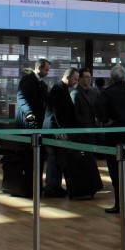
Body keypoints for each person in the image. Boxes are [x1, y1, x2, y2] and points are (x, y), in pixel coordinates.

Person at [96, 64, 125, 214]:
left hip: (114, 136)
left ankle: (120, 203)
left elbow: (99, 111)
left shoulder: (107, 93)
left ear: (111, 78)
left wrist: (106, 121)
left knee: (116, 172)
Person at [42, 67, 82, 197]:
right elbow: (59, 113)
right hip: (54, 131)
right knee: (54, 159)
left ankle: (55, 186)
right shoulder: (60, 90)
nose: (76, 82)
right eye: (75, 79)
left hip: (53, 129)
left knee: (57, 159)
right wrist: (63, 130)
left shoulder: (60, 88)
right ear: (68, 77)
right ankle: (51, 187)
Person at [16, 58, 50, 129]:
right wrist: (28, 112)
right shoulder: (28, 79)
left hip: (35, 119)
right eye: (46, 70)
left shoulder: (41, 84)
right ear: (39, 67)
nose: (47, 73)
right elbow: (21, 96)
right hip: (28, 119)